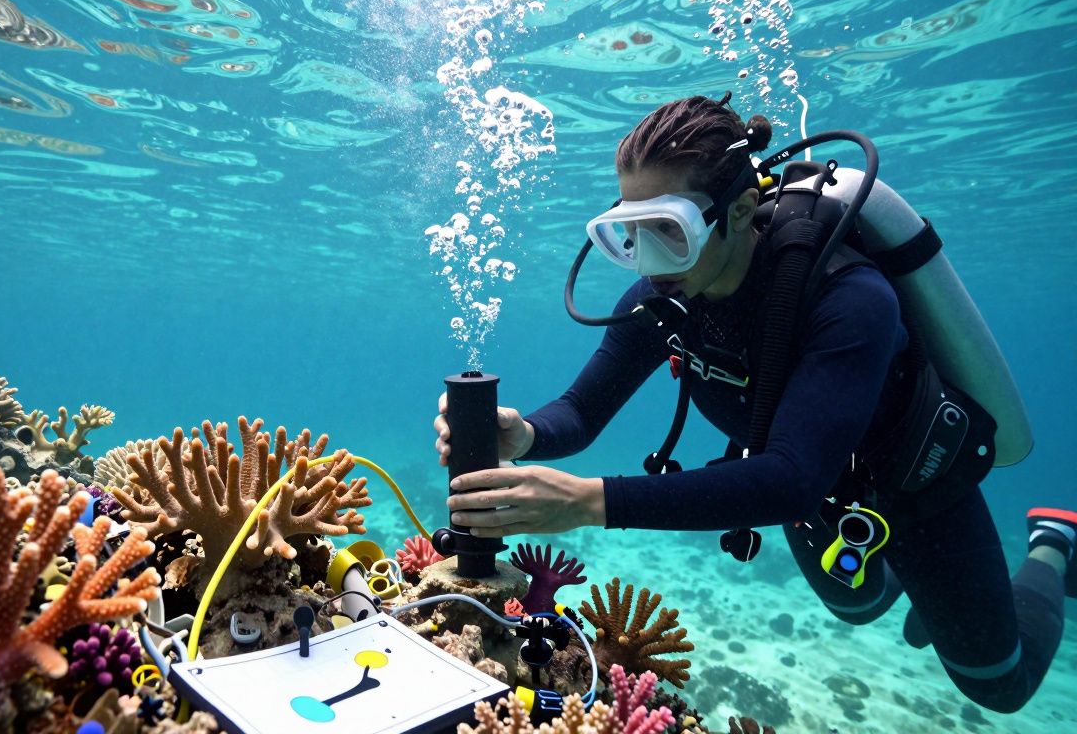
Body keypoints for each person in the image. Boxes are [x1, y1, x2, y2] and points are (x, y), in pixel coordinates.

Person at [432, 94, 1073, 714]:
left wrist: (585, 502)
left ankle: (1052, 543)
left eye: (669, 232)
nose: (651, 265)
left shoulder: (847, 297)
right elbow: (579, 411)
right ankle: (922, 592)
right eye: (630, 234)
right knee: (859, 604)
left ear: (740, 210)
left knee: (999, 686)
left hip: (917, 490)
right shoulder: (662, 303)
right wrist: (524, 435)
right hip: (814, 499)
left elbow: (791, 478)